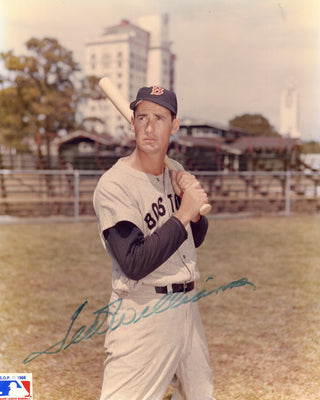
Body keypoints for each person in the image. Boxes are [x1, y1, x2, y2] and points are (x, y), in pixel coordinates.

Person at [93, 85, 215, 400]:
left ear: (174, 125)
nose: (149, 127)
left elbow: (194, 239)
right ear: (131, 123)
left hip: (187, 308)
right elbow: (134, 263)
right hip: (143, 310)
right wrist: (183, 214)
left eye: (159, 118)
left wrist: (189, 206)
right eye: (142, 117)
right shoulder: (115, 185)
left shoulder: (173, 174)